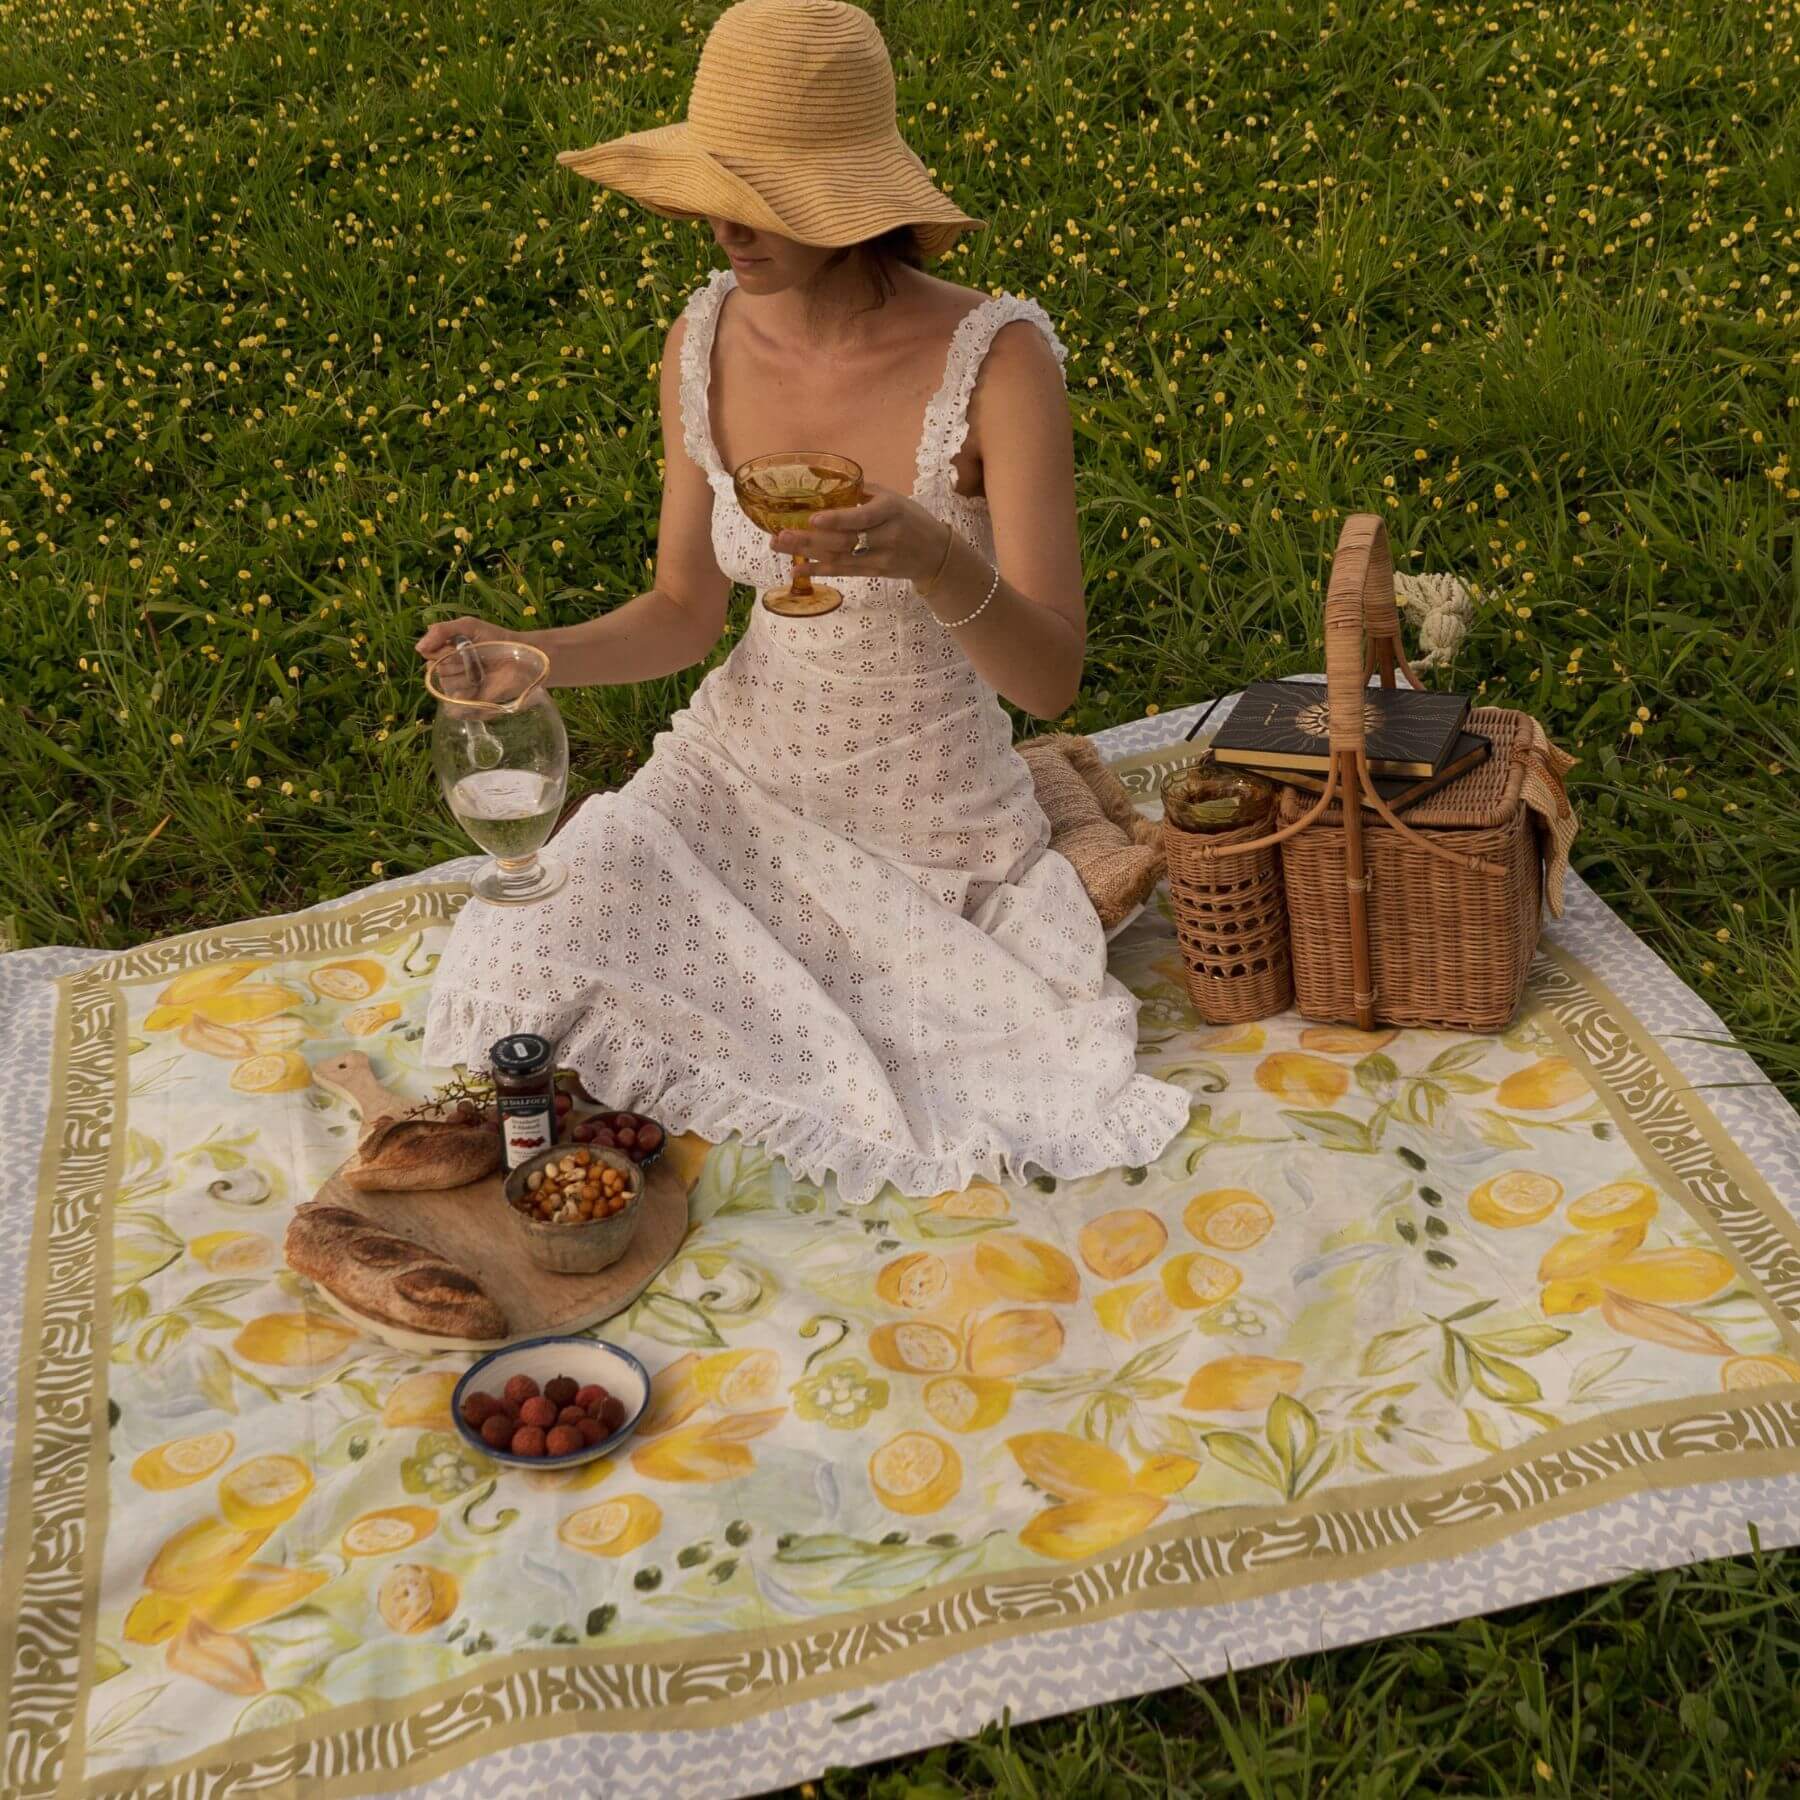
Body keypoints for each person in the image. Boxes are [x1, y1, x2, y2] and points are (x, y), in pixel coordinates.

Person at [415, 0, 1189, 1205]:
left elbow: (1050, 679)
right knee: (520, 955)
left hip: (922, 810)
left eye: (763, 196)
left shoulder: (998, 356)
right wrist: (531, 656)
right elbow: (681, 611)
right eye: (713, 185)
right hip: (734, 777)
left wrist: (935, 556)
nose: (724, 224)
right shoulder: (703, 333)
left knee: (948, 1068)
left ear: (852, 200)